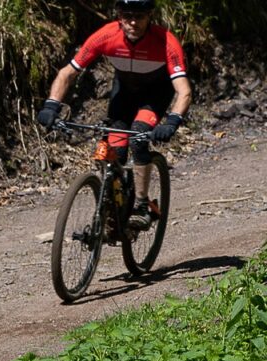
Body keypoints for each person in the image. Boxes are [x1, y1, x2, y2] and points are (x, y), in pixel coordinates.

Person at [37, 0, 191, 229]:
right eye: (127, 15)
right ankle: (114, 204)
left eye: (139, 16)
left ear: (150, 16)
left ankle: (141, 204)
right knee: (116, 149)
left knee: (138, 136)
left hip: (155, 94)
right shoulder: (106, 35)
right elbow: (67, 73)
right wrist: (51, 105)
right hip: (124, 93)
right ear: (118, 15)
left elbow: (184, 90)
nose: (133, 22)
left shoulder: (165, 41)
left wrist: (172, 121)